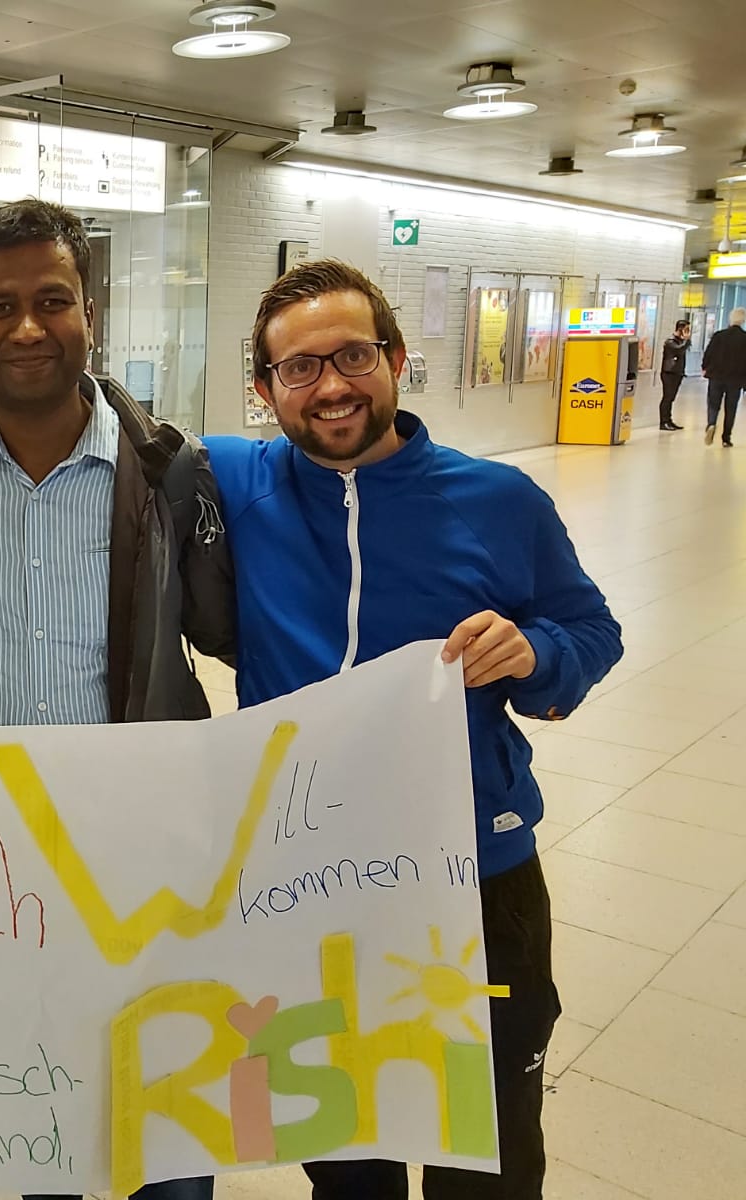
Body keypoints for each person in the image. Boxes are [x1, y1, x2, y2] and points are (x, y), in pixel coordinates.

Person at [201, 259, 623, 1200]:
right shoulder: (237, 478)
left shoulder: (498, 501)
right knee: (347, 1152)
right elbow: (98, 420)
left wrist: (537, 652)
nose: (333, 386)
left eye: (353, 355)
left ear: (396, 359)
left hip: (479, 872)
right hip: (309, 881)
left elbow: (592, 630)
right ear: (265, 391)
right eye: (299, 369)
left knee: (491, 1146)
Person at [0, 198, 235, 1200]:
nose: (27, 327)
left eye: (51, 299)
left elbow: (237, 630)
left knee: (166, 1124)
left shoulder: (171, 469)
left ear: (90, 305)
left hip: (138, 853)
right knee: (34, 1112)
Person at [702, 307, 746, 446]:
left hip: (716, 376)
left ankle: (711, 423)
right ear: (743, 320)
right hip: (736, 379)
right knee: (731, 408)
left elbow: (708, 353)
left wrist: (705, 367)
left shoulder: (719, 335)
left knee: (713, 404)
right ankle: (726, 438)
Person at [658, 318, 690, 430]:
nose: (687, 332)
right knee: (667, 397)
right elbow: (678, 350)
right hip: (669, 373)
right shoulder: (670, 342)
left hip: (677, 373)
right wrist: (687, 340)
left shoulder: (680, 341)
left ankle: (669, 419)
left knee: (671, 398)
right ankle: (663, 422)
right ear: (680, 329)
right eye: (686, 329)